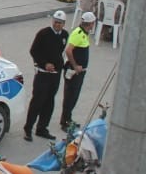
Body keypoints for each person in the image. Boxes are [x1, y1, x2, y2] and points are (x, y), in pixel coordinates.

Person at [23, 10, 70, 142]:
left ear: (64, 24)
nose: (57, 25)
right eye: (56, 22)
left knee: (49, 102)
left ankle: (42, 128)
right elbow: (33, 51)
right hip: (43, 74)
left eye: (60, 23)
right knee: (37, 101)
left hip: (55, 75)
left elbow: (61, 53)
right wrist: (44, 64)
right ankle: (28, 128)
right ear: (52, 21)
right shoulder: (43, 34)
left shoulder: (65, 35)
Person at [60, 12, 96, 132]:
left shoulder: (84, 33)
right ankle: (64, 122)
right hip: (73, 71)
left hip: (80, 72)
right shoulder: (78, 33)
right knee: (70, 96)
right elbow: (69, 51)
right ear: (90, 23)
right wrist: (75, 65)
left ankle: (68, 119)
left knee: (74, 96)